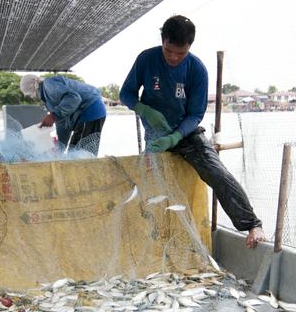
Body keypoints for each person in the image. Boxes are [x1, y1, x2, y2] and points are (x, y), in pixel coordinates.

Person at [119, 15, 266, 249]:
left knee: (218, 173)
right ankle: (149, 241)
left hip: (186, 134)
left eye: (181, 53)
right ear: (162, 41)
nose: (174, 58)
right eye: (169, 51)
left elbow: (196, 114)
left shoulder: (196, 69)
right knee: (147, 185)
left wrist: (176, 136)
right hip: (156, 136)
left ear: (189, 48)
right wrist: (142, 108)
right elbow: (125, 93)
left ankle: (252, 224)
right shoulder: (146, 59)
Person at [19, 74, 106, 155]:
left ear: (32, 87)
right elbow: (63, 124)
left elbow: (74, 98)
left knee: (82, 155)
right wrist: (59, 148)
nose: (32, 97)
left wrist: (53, 116)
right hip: (84, 115)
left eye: (30, 94)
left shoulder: (48, 84)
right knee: (73, 153)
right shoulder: (48, 100)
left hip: (90, 110)